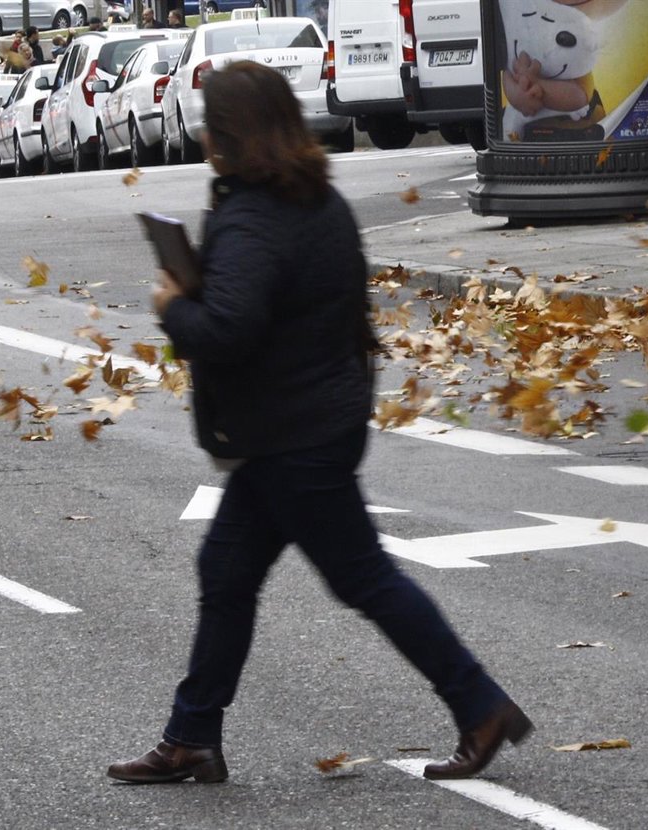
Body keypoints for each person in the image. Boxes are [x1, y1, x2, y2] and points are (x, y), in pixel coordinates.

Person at [106, 60, 531, 786]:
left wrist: (172, 304)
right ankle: (191, 737)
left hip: (289, 434)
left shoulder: (254, 216)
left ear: (230, 135)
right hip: (312, 419)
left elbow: (230, 329)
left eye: (212, 123)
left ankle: (480, 705)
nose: (204, 135)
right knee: (228, 570)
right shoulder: (313, 199)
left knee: (363, 578)